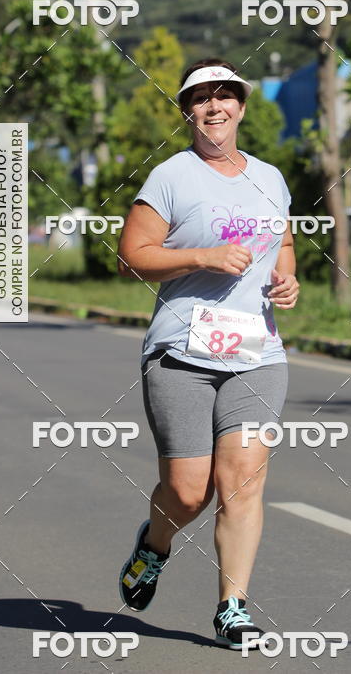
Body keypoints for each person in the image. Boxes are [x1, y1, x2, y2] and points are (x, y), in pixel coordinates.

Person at [117, 58, 299, 650]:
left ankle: (232, 608)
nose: (214, 107)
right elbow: (132, 255)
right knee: (190, 489)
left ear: (242, 107)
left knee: (241, 482)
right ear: (187, 111)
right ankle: (156, 543)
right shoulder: (172, 177)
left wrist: (287, 280)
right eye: (201, 98)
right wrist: (202, 256)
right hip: (181, 350)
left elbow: (284, 240)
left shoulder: (270, 178)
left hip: (257, 351)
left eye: (225, 97)